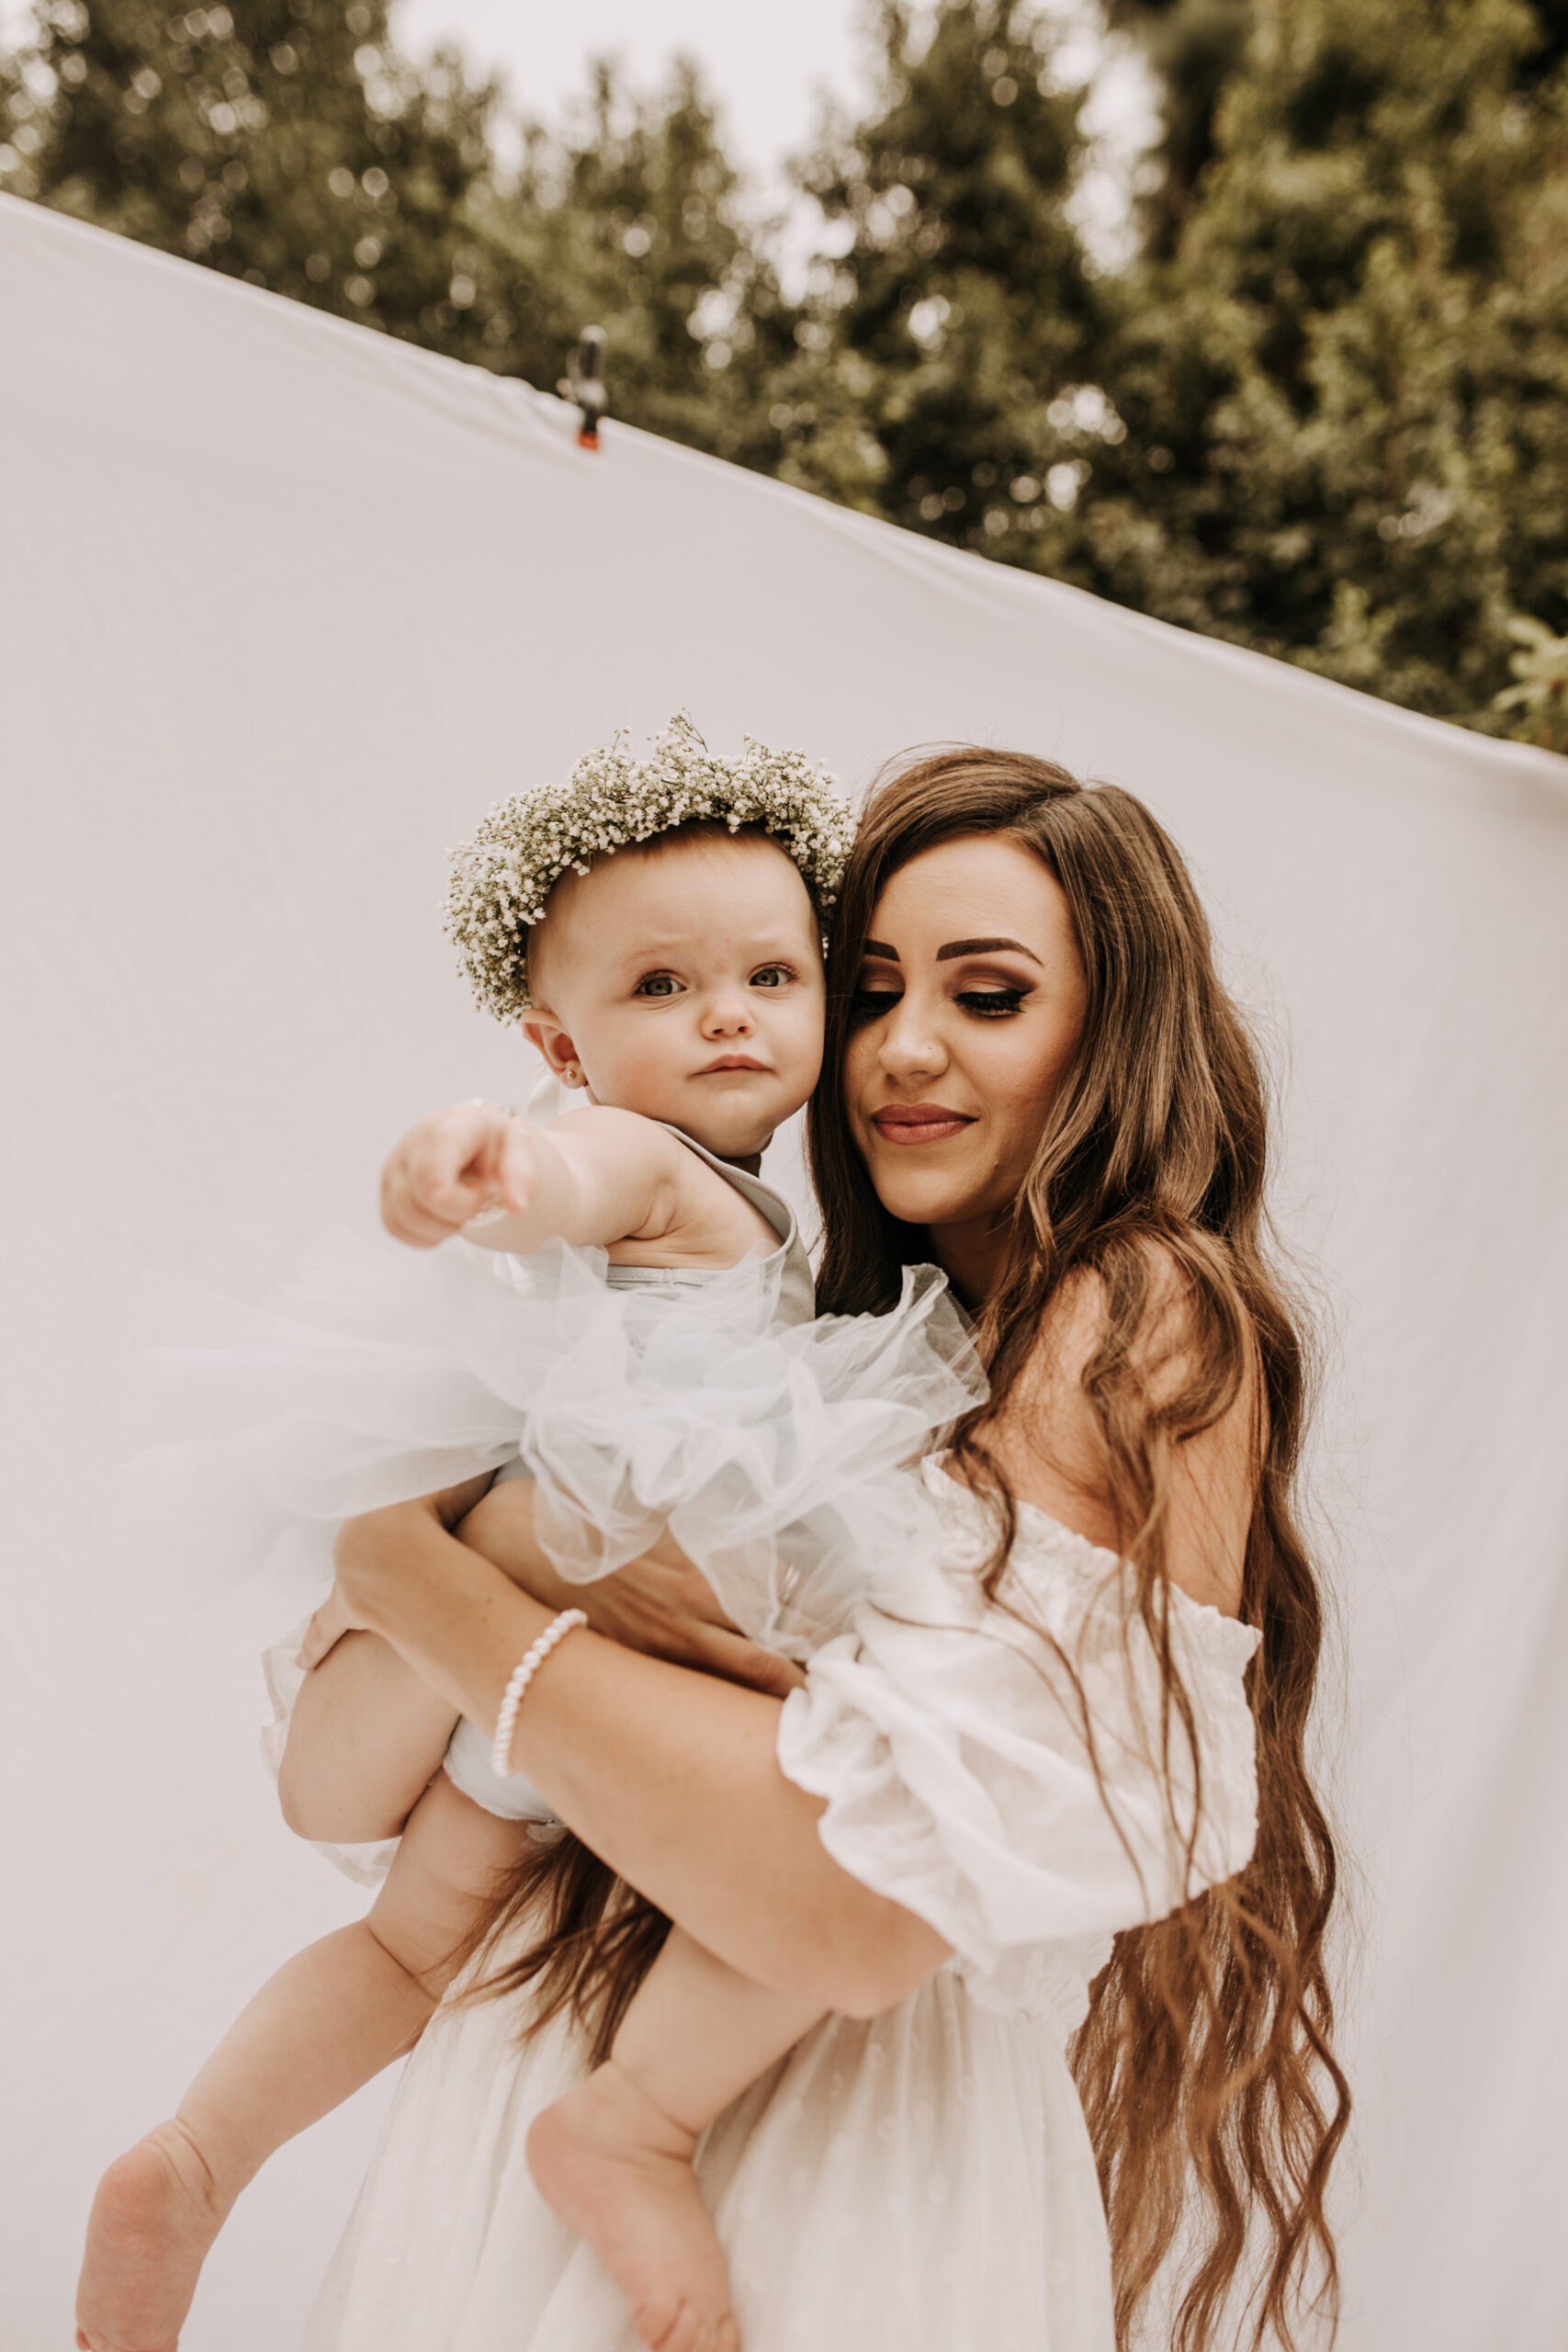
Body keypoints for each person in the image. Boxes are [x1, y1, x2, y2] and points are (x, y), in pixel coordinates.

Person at [270, 748, 1351, 2352]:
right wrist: (494, 1543)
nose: (903, 1048)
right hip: (533, 2099)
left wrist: (427, 1571)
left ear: (1108, 1032)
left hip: (823, 2172)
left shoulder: (1139, 1310)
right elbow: (330, 1789)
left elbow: (851, 1905)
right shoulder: (803, 1347)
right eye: (870, 989)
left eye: (988, 996)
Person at [73, 718, 983, 2352]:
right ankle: (640, 2123)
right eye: (658, 988)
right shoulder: (647, 1160)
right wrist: (483, 1166)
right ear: (559, 1050)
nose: (724, 1013)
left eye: (771, 978)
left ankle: (197, 2162)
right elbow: (564, 1183)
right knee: (878, 1810)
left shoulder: (758, 1192)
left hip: (551, 1675)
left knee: (415, 1945)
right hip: (649, 1586)